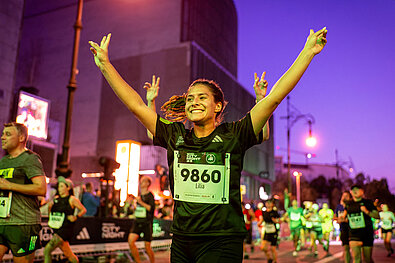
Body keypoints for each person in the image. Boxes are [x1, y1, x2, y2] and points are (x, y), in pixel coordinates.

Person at [89, 27, 327, 262]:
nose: (194, 102)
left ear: (218, 106)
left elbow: (275, 98)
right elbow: (137, 106)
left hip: (221, 240)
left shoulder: (234, 134)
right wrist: (106, 66)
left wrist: (307, 52)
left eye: (202, 97)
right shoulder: (175, 135)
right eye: (190, 99)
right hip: (182, 240)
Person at [0, 122, 46, 263]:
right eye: (3, 134)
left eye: (8, 134)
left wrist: (10, 185)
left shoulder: (30, 159)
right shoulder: (3, 161)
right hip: (3, 221)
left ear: (21, 138)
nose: (2, 137)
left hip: (24, 224)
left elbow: (41, 189)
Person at [44, 176, 86, 263]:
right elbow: (50, 210)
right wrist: (50, 213)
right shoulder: (56, 199)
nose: (59, 188)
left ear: (68, 187)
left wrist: (75, 217)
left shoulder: (72, 199)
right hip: (57, 228)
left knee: (47, 250)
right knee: (68, 254)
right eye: (59, 186)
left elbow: (83, 210)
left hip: (65, 229)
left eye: (62, 186)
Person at [341, 185, 379, 263]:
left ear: (362, 191)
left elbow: (377, 216)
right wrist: (342, 219)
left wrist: (367, 211)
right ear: (351, 192)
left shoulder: (368, 202)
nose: (355, 191)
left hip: (367, 234)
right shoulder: (349, 204)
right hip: (354, 235)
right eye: (353, 190)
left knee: (367, 259)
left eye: (357, 189)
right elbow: (344, 216)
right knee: (357, 259)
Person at [128, 176, 155, 263]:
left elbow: (151, 208)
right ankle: (138, 261)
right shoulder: (139, 196)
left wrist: (141, 202)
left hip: (147, 223)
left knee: (147, 247)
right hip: (137, 221)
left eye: (143, 181)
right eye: (141, 181)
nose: (141, 182)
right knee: (131, 241)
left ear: (147, 184)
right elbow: (138, 209)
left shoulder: (150, 195)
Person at [334, 191, 352, 263]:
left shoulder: (351, 206)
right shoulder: (339, 207)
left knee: (354, 248)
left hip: (352, 229)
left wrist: (346, 219)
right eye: (343, 195)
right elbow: (335, 217)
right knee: (346, 248)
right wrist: (339, 219)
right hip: (343, 229)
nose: (344, 197)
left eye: (346, 196)